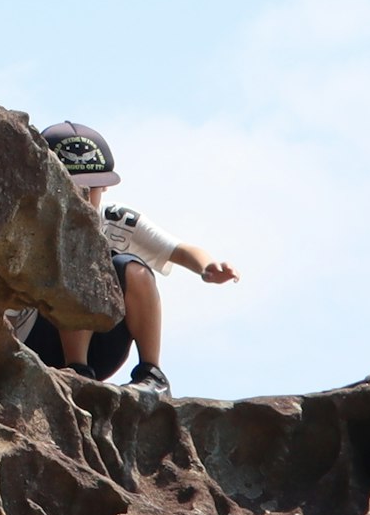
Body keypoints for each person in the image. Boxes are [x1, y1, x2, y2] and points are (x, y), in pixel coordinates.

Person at [30, 120, 237, 394]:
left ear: (105, 188)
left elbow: (178, 249)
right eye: (72, 185)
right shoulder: (29, 221)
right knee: (77, 256)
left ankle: (152, 374)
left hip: (101, 349)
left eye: (90, 188)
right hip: (34, 341)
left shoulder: (116, 219)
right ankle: (76, 369)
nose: (81, 196)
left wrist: (208, 267)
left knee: (131, 269)